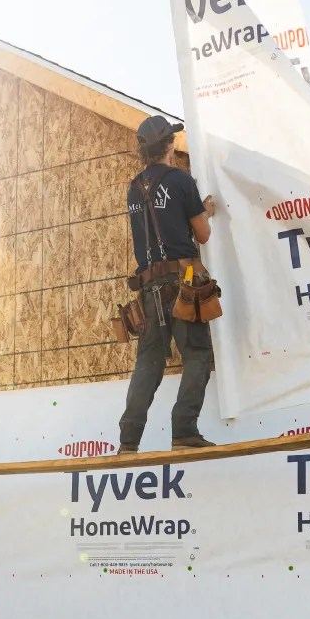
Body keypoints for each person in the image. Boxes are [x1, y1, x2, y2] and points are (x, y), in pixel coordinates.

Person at [118, 114, 219, 453]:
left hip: (148, 287)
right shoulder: (180, 181)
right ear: (169, 145)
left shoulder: (134, 189)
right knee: (197, 353)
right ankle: (184, 431)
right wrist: (202, 213)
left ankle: (128, 441)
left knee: (149, 361)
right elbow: (202, 233)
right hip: (184, 278)